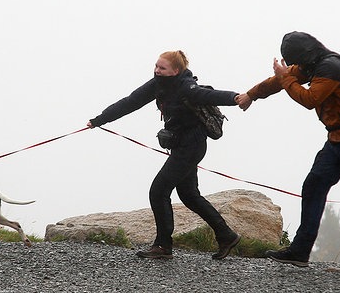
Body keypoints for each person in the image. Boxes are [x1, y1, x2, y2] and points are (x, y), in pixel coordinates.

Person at [235, 32, 340, 272]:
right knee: (313, 186)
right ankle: (300, 251)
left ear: (302, 55)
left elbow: (309, 99)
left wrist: (286, 78)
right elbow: (277, 82)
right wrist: (251, 95)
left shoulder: (330, 68)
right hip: (337, 140)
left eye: (294, 59)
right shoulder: (312, 65)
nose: (294, 66)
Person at [87, 50, 242, 260]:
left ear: (176, 71)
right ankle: (226, 235)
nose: (157, 70)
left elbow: (209, 95)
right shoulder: (157, 84)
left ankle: (163, 245)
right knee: (189, 195)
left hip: (192, 146)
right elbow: (130, 102)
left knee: (158, 191)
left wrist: (237, 98)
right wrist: (98, 120)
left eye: (162, 68)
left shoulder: (186, 86)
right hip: (181, 146)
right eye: (156, 66)